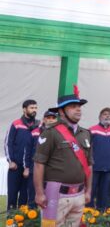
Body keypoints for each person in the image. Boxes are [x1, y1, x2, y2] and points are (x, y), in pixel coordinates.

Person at [33, 89, 92, 227]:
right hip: (56, 194)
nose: (78, 110)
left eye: (79, 106)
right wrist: (39, 193)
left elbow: (89, 165)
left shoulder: (86, 134)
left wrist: (88, 191)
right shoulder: (50, 133)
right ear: (61, 111)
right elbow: (39, 164)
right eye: (73, 107)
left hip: (79, 194)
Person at [6, 99, 39, 209]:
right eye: (31, 108)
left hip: (30, 167)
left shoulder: (38, 126)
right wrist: (11, 161)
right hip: (16, 166)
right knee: (12, 195)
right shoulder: (16, 124)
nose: (34, 110)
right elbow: (8, 143)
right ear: (24, 109)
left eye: (35, 108)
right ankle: (11, 223)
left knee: (25, 196)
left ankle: (21, 221)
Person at [88, 107, 110, 211]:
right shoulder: (92, 130)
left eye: (109, 114)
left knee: (104, 192)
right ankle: (88, 213)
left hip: (108, 168)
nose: (107, 116)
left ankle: (101, 214)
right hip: (95, 167)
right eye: (104, 114)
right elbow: (87, 149)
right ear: (99, 117)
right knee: (91, 191)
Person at [25, 109, 58, 204]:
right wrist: (27, 167)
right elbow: (27, 151)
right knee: (33, 194)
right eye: (48, 118)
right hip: (34, 169)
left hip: (52, 171)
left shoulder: (60, 134)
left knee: (50, 196)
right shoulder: (35, 132)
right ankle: (32, 216)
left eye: (53, 118)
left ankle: (49, 217)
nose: (51, 120)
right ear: (44, 119)